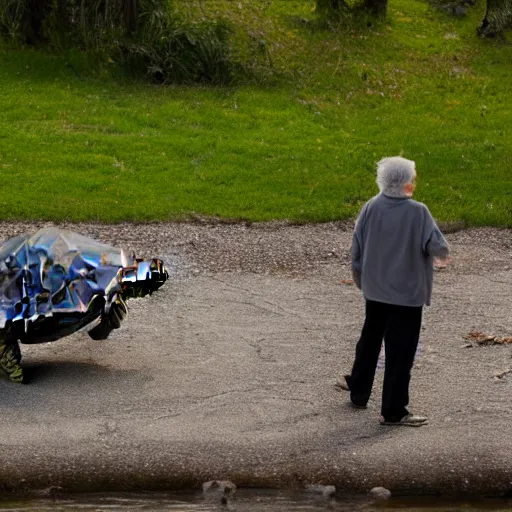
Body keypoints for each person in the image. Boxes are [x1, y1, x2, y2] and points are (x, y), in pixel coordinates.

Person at [338, 156, 450, 427]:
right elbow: (441, 249)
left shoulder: (370, 207)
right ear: (407, 184)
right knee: (400, 351)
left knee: (370, 339)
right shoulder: (418, 212)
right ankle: (393, 410)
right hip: (406, 295)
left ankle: (359, 391)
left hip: (375, 289)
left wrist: (361, 280)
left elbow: (357, 249)